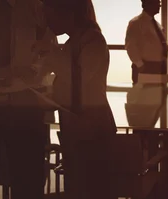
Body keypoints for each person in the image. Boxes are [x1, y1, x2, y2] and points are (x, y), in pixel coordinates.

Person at [0, 0, 56, 198]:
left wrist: (28, 75)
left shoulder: (35, 9)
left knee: (28, 180)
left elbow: (50, 52)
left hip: (25, 103)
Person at [42, 0, 117, 198]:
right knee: (79, 183)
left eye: (50, 15)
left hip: (91, 125)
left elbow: (79, 79)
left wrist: (50, 54)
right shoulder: (74, 42)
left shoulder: (93, 40)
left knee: (91, 184)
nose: (47, 22)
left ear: (68, 13)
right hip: (77, 123)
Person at [124, 0, 168, 127]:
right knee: (142, 107)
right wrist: (141, 66)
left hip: (158, 69)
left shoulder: (158, 26)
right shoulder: (136, 23)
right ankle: (141, 138)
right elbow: (131, 45)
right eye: (157, 2)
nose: (159, 5)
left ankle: (150, 134)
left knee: (154, 105)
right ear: (148, 4)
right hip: (145, 69)